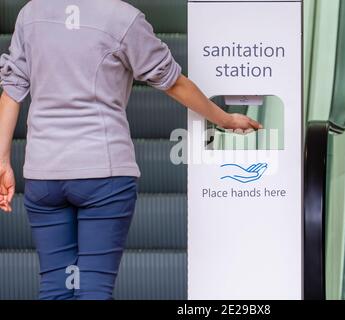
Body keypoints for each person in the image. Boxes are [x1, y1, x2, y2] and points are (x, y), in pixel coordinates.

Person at [0, 0, 261, 300]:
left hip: (43, 175)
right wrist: (225, 118)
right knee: (93, 291)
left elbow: (12, 91)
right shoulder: (122, 17)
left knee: (56, 290)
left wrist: (2, 160)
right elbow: (173, 82)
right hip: (103, 173)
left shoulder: (31, 13)